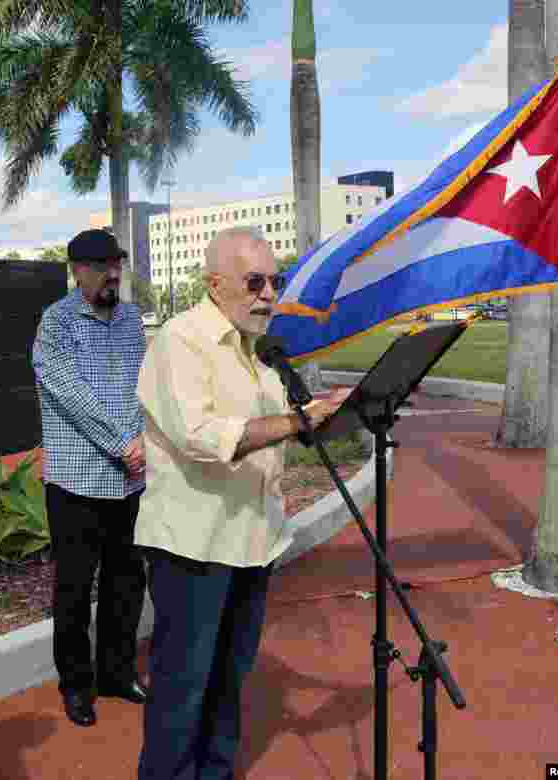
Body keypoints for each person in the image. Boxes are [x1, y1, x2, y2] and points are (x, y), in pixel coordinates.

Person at [135, 227, 349, 779]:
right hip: (194, 544)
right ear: (215, 283)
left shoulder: (261, 351)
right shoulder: (180, 341)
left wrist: (335, 412)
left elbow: (280, 430)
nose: (268, 295)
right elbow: (200, 436)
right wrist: (294, 422)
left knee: (229, 682)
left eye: (274, 282)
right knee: (183, 690)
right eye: (255, 282)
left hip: (254, 538)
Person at [32, 228, 149, 728]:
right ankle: (76, 685)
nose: (113, 274)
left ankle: (117, 673)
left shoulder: (130, 321)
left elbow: (147, 384)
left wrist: (145, 439)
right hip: (77, 483)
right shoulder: (55, 323)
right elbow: (69, 394)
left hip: (130, 481)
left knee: (127, 582)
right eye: (102, 266)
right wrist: (122, 443)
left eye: (117, 264)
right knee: (75, 590)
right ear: (77, 270)